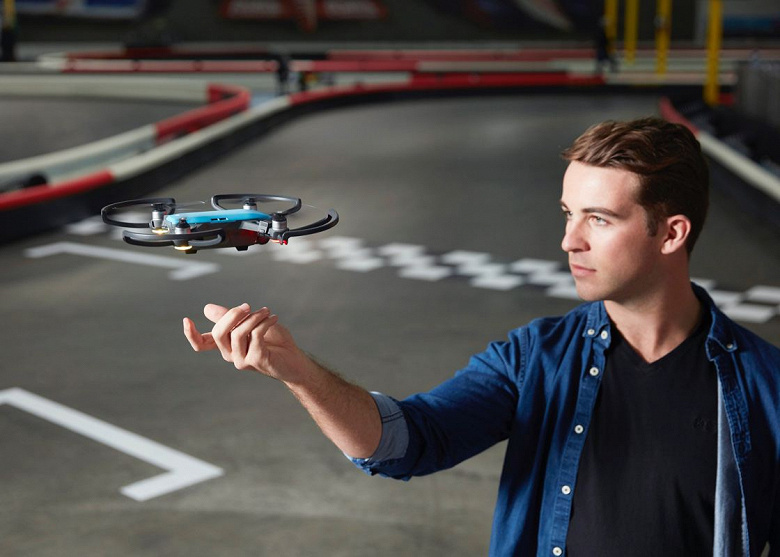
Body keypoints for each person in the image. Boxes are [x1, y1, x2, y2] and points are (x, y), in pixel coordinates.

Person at [183, 117, 779, 556]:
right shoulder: (534, 358)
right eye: (568, 213)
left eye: (598, 219)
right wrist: (298, 372)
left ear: (671, 233)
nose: (569, 241)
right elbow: (406, 442)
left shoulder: (767, 388)